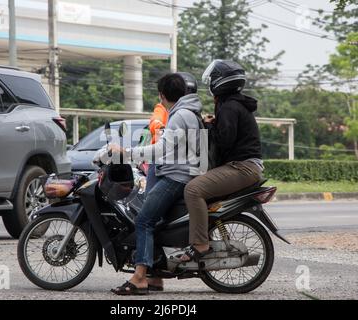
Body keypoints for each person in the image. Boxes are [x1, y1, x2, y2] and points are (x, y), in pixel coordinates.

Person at [108, 73, 203, 295]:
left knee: (143, 221)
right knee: (156, 220)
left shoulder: (179, 116)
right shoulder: (188, 112)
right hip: (177, 173)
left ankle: (140, 277)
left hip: (175, 177)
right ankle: (155, 277)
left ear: (162, 95)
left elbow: (161, 149)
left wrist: (126, 153)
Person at [180, 60, 264, 262]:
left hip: (242, 168)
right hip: (244, 166)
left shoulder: (229, 106)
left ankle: (200, 245)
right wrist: (214, 124)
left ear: (219, 83)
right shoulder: (234, 104)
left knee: (193, 190)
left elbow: (224, 141)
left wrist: (207, 128)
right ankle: (203, 237)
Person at [145, 72, 198, 195]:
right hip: (160, 158)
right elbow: (155, 121)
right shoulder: (163, 108)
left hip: (180, 165)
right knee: (149, 198)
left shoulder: (188, 111)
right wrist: (162, 128)